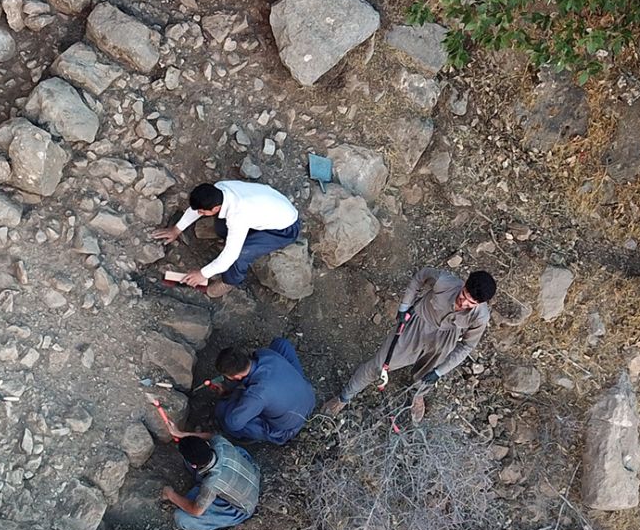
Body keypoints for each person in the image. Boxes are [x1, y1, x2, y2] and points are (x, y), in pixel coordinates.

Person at [322, 268, 496, 424]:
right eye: (463, 295)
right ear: (464, 284)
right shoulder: (444, 281)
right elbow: (420, 277)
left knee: (427, 375)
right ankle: (344, 397)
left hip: (444, 340)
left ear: (479, 303)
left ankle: (418, 394)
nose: (463, 304)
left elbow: (466, 346)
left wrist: (440, 371)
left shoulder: (480, 317)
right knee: (379, 366)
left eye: (471, 303)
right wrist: (405, 306)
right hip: (416, 324)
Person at [150, 181, 300, 298]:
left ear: (215, 208)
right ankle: (239, 237)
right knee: (222, 228)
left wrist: (202, 274)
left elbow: (230, 256)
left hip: (283, 228)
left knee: (240, 254)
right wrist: (176, 229)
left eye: (203, 211)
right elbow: (197, 209)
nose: (199, 213)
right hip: (268, 208)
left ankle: (230, 281)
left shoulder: (238, 215)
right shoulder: (220, 188)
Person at [213, 338, 316, 445]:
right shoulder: (264, 354)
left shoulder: (256, 395)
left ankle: (246, 437)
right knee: (280, 344)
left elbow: (234, 423)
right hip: (308, 396)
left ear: (237, 376)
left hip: (289, 426)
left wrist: (230, 394)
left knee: (224, 414)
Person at [159, 430, 261, 530]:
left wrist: (170, 495)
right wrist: (182, 434)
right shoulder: (220, 443)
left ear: (194, 465)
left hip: (243, 508)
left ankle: (222, 521)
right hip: (251, 477)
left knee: (182, 517)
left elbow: (196, 511)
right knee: (238, 450)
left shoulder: (211, 484)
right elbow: (211, 435)